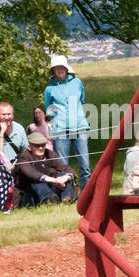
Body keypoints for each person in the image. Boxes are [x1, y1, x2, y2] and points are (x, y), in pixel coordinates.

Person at [43, 53, 91, 186]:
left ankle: (86, 194)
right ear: (53, 70)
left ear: (66, 68)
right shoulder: (49, 89)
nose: (59, 69)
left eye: (61, 67)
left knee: (85, 164)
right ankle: (67, 194)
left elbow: (82, 100)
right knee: (63, 166)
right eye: (56, 67)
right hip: (61, 129)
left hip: (79, 126)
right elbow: (49, 109)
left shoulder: (77, 82)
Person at [14, 132, 77, 205]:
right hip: (29, 192)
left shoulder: (50, 154)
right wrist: (55, 180)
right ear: (29, 147)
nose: (40, 148)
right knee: (36, 181)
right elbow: (32, 174)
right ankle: (49, 199)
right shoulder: (24, 157)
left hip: (49, 185)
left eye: (43, 145)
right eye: (37, 146)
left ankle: (67, 198)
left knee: (63, 174)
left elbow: (66, 168)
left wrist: (65, 178)